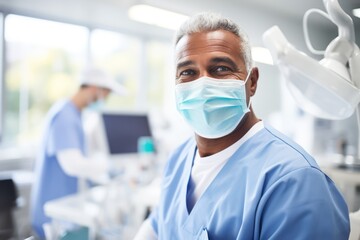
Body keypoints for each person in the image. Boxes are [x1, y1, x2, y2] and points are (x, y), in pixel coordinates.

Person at [134, 12, 350, 240]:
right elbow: (160, 225)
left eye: (220, 68)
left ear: (252, 82)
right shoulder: (178, 160)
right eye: (188, 72)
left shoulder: (295, 181)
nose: (202, 83)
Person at [30, 68, 126, 239]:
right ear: (94, 88)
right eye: (105, 94)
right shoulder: (64, 115)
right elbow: (73, 165)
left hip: (65, 211)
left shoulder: (76, 115)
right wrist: (108, 167)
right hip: (54, 216)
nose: (105, 99)